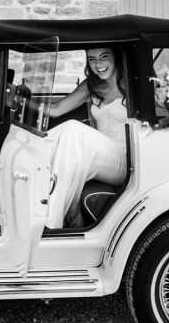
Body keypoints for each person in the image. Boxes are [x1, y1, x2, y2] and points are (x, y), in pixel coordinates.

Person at [43, 47, 128, 229]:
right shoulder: (92, 85)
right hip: (102, 157)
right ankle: (47, 216)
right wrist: (20, 100)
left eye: (104, 57)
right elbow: (56, 110)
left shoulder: (134, 85)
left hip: (128, 160)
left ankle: (51, 223)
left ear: (116, 57)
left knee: (73, 130)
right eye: (92, 59)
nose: (98, 64)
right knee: (59, 143)